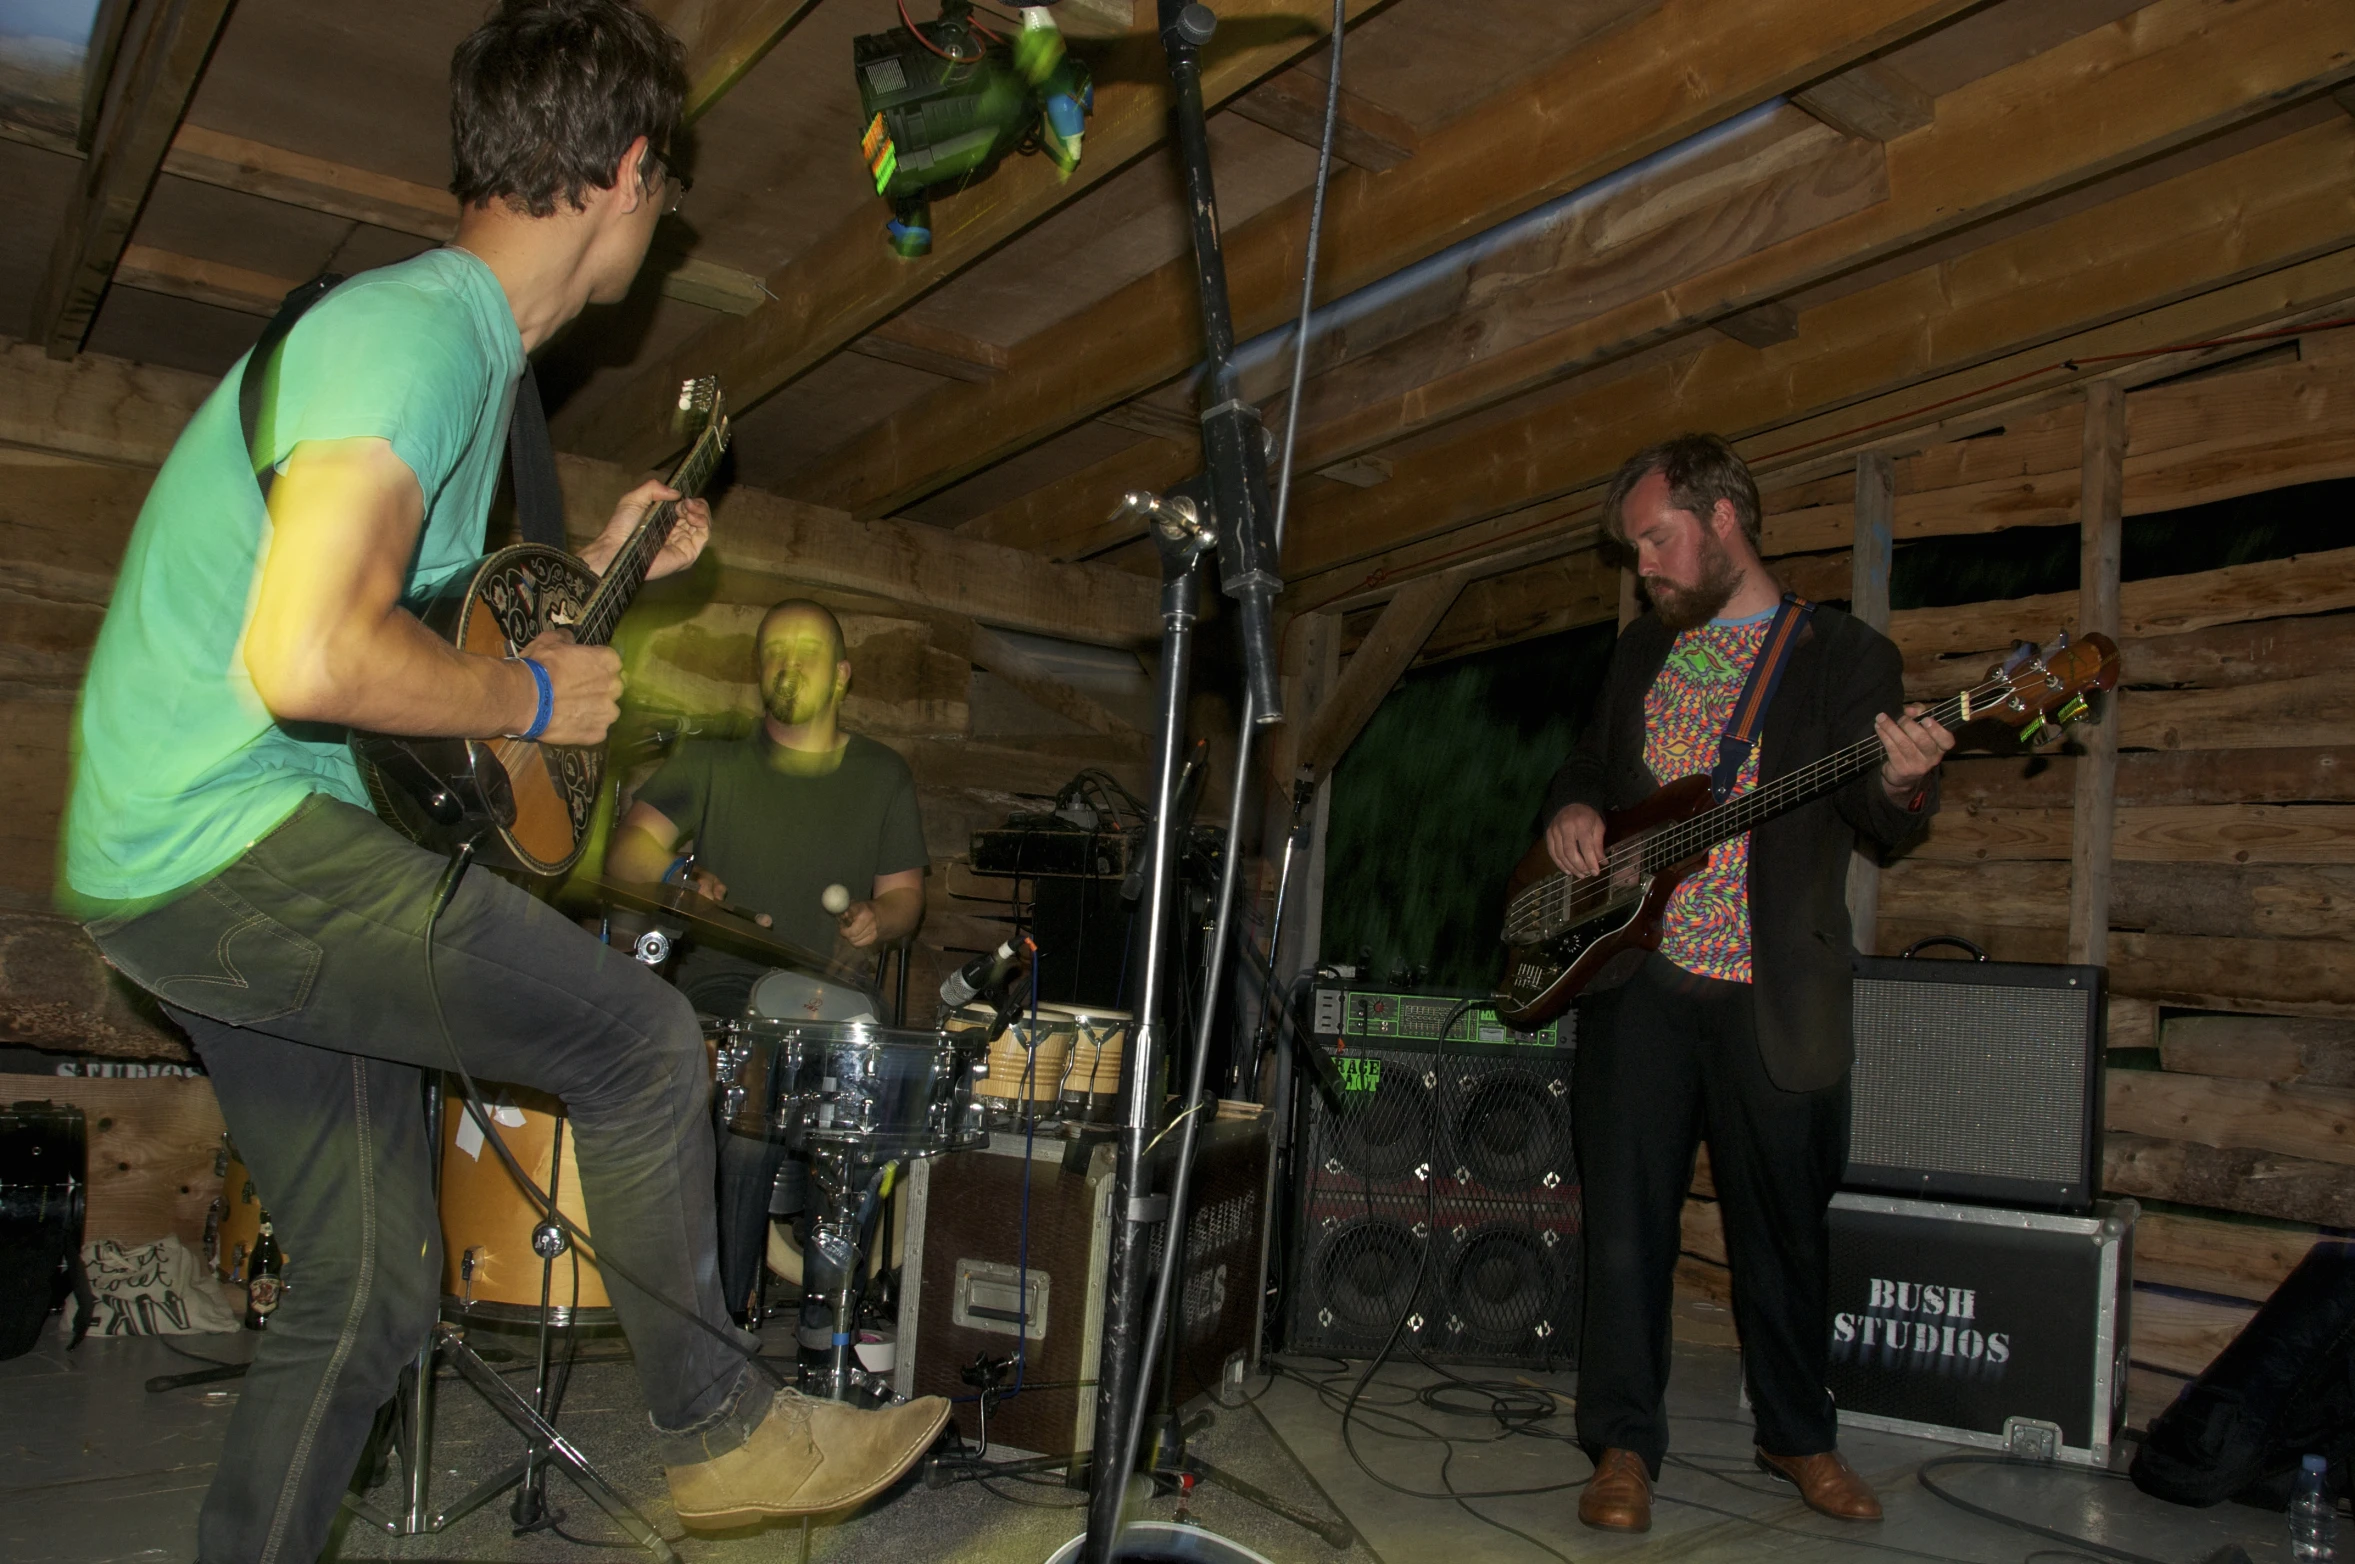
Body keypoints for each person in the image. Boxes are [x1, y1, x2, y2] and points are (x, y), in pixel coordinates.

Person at [59, 6, 945, 1558]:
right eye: (662, 196)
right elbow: (311, 656)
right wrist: (534, 685)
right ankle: (722, 1434)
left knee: (368, 1293)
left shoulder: (448, 361)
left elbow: (405, 640)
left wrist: (592, 572)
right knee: (641, 1039)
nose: (659, 231)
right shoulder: (418, 336)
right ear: (623, 172)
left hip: (186, 866)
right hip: (234, 846)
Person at [1541, 433, 1954, 1533]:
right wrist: (1574, 812)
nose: (1645, 565)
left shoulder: (1843, 655)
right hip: (1638, 977)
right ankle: (1622, 1444)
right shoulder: (1639, 654)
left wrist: (1908, 786)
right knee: (1627, 1226)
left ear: (1724, 519)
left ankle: (1798, 1437)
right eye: (1637, 548)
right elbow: (1587, 764)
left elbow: (1876, 815)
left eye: (1658, 539)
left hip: (1775, 992)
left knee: (1783, 1232)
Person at [606, 598, 929, 1320]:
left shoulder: (882, 775)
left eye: (808, 651)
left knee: (869, 1091)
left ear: (842, 675)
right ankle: (723, 1313)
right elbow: (629, 848)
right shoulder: (710, 759)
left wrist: (881, 919)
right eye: (775, 651)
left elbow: (906, 897)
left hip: (836, 1002)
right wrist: (674, 878)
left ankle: (833, 1316)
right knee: (750, 1109)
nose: (789, 663)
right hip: (723, 997)